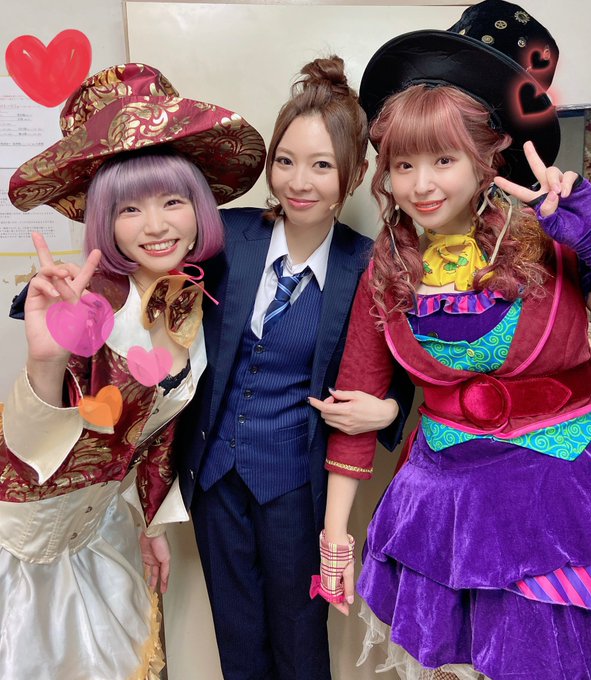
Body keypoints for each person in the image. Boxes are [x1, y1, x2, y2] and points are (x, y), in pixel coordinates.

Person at [312, 2, 591, 679]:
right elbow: (354, 399)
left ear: (487, 156)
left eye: (443, 159)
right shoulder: (388, 265)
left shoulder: (552, 234)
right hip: (442, 511)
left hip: (555, 498)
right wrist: (334, 539)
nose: (422, 185)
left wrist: (584, 232)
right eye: (403, 165)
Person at [2, 63, 264, 680]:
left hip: (107, 530)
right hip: (24, 542)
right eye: (129, 209)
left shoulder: (193, 303)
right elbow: (27, 448)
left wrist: (152, 523)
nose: (156, 226)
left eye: (173, 201)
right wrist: (45, 361)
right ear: (104, 220)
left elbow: (159, 436)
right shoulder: (87, 305)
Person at [174, 55, 414, 680]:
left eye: (321, 165)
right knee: (236, 638)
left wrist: (388, 408)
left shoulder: (367, 266)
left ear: (353, 176)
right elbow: (147, 277)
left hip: (297, 486)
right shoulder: (226, 237)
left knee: (301, 643)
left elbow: (412, 365)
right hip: (215, 476)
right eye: (285, 161)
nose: (298, 181)